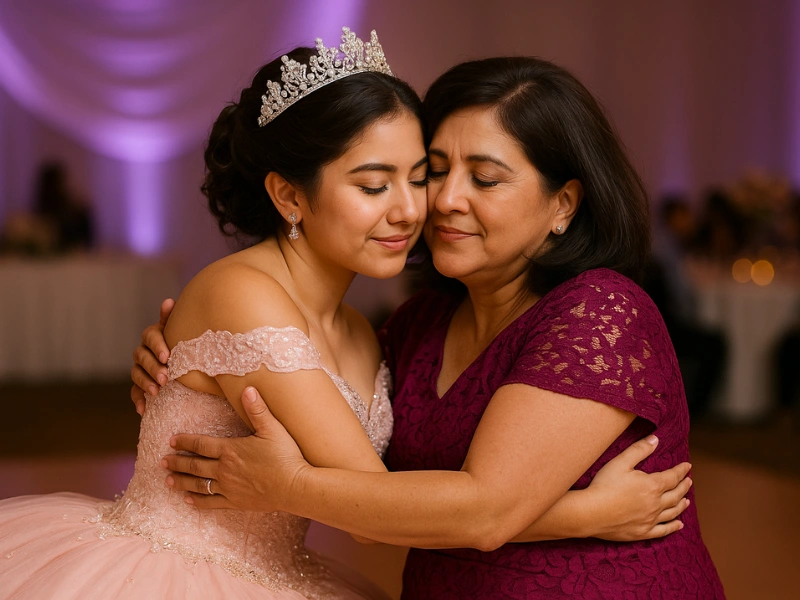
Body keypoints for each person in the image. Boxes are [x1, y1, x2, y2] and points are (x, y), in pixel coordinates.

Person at [0, 32, 689, 600]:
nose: (422, 206)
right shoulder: (308, 309)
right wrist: (587, 512)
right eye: (376, 183)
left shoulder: (378, 331)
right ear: (289, 197)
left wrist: (284, 478)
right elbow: (373, 505)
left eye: (418, 177)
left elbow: (413, 498)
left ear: (564, 203)